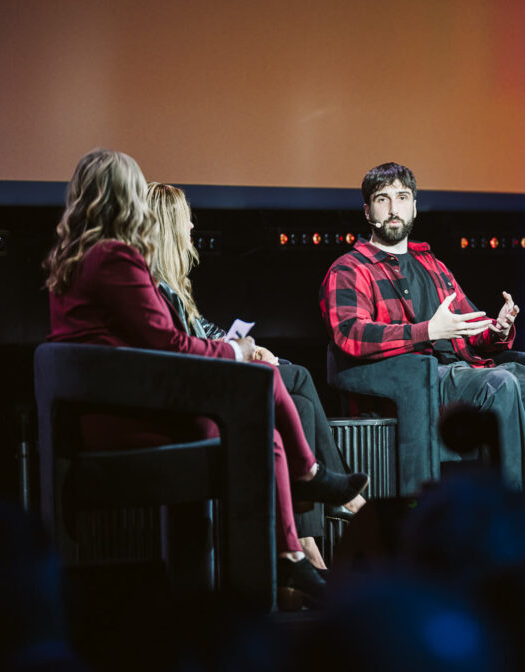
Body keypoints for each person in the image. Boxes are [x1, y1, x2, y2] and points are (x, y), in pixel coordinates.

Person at [45, 149, 366, 607]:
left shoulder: (74, 261)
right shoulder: (115, 258)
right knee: (259, 399)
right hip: (129, 417)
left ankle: (292, 546)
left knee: (264, 414)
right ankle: (300, 511)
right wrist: (235, 351)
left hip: (111, 409)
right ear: (126, 198)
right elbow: (170, 344)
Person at [320, 162, 525, 502]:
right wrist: (427, 331)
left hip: (467, 374)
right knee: (499, 384)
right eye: (382, 199)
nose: (393, 209)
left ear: (414, 207)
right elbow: (349, 333)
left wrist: (498, 329)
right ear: (367, 211)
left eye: (402, 198)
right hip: (418, 381)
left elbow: (470, 328)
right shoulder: (349, 269)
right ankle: (509, 511)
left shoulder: (432, 265)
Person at [145, 181, 366, 567]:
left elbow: (203, 331)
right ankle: (336, 497)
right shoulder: (155, 286)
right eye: (186, 219)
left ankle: (307, 541)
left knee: (300, 398)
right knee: (294, 377)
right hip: (203, 389)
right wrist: (241, 355)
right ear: (167, 225)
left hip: (213, 371)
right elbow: (182, 349)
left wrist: (247, 347)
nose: (193, 227)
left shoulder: (171, 283)